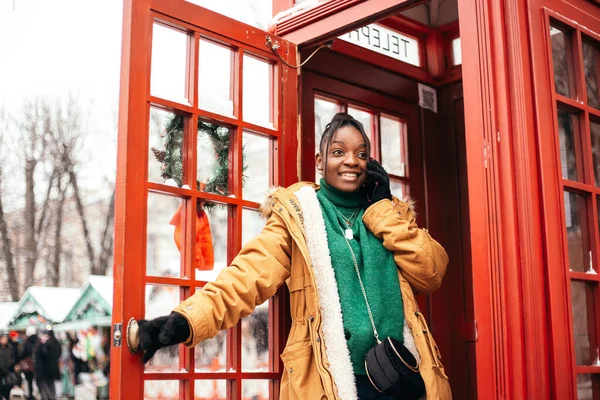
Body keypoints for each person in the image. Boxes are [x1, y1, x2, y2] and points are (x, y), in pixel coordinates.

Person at [138, 113, 452, 399]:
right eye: (338, 152)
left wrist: (383, 209)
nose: (351, 162)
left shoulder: (387, 214)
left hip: (404, 376)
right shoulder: (300, 217)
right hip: (335, 382)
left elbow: (431, 272)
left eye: (361, 154)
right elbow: (247, 276)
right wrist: (183, 321)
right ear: (319, 160)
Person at [33, 327, 61, 400]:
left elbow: (43, 355)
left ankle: (51, 397)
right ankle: (52, 397)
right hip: (53, 369)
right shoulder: (57, 343)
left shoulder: (45, 344)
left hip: (44, 370)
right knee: (51, 385)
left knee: (45, 387)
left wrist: (41, 345)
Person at [20, 326, 37, 400]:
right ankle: (33, 394)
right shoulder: (38, 340)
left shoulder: (27, 342)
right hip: (37, 363)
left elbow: (23, 353)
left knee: (29, 380)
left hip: (29, 364)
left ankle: (30, 394)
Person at [0, 334, 14, 400]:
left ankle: (5, 397)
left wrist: (11, 362)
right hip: (0, 370)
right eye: (4, 339)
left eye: (6, 339)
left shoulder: (9, 348)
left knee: (9, 385)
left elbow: (12, 357)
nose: (5, 340)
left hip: (7, 370)